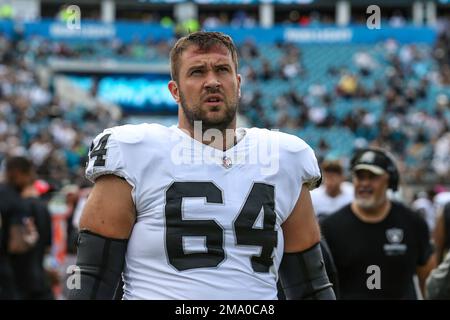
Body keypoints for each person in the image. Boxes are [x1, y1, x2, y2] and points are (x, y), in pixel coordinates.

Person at [68, 31, 335, 300]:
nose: (212, 82)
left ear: (238, 83)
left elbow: (309, 285)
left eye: (222, 70)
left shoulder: (285, 156)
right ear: (175, 90)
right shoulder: (133, 150)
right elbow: (93, 278)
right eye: (197, 72)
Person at [321, 148, 436, 299]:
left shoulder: (413, 223)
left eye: (372, 177)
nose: (364, 183)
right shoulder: (331, 227)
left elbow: (427, 278)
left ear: (390, 180)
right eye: (360, 177)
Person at [0, 156, 39, 299]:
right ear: (17, 173)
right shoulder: (16, 201)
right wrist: (32, 239)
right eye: (29, 174)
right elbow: (17, 245)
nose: (31, 179)